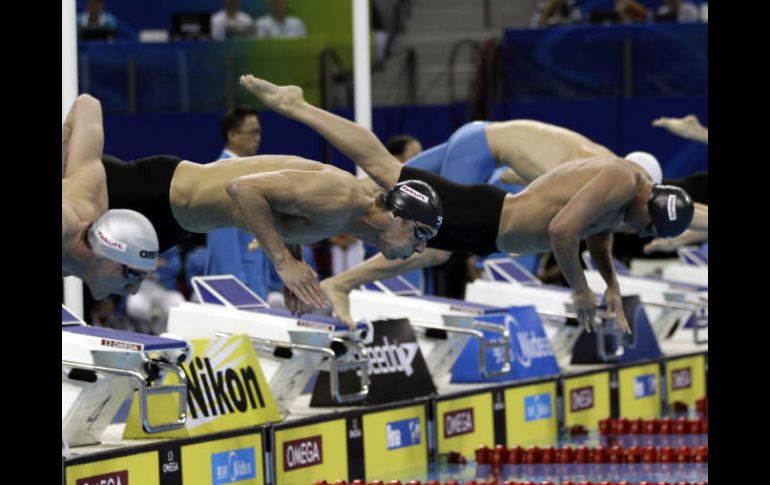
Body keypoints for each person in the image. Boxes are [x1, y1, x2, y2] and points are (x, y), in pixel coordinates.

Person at [239, 75, 697, 334]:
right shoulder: (619, 175)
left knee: (372, 215)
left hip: (487, 234)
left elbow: (599, 233)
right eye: (648, 228)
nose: (643, 234)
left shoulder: (629, 199)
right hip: (487, 215)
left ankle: (286, 232)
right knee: (380, 173)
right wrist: (579, 288)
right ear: (649, 199)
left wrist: (610, 284)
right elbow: (562, 231)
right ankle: (297, 106)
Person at [65, 96, 441, 313]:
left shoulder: (346, 216)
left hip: (176, 219)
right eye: (420, 235)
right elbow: (243, 190)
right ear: (396, 215)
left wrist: (292, 259)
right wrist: (284, 263)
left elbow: (284, 213)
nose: (420, 249)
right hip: (156, 194)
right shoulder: (342, 197)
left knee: (77, 267)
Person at [62, 95, 160, 300]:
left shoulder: (89, 193)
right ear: (102, 253)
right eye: (132, 274)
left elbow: (88, 105)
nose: (133, 290)